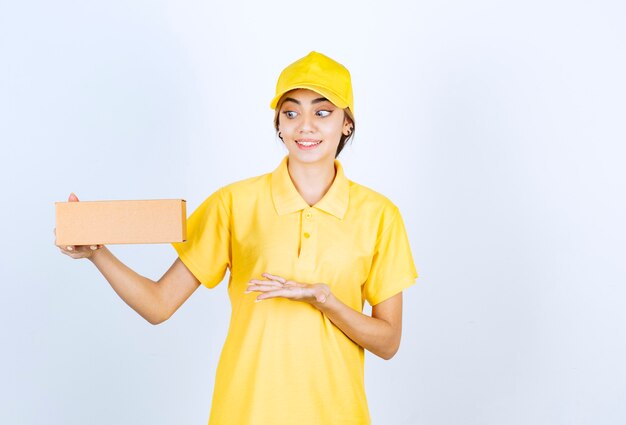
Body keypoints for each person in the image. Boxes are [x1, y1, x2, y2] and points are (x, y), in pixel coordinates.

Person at [58, 51, 418, 425]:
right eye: (291, 112)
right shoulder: (234, 203)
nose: (305, 126)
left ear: (346, 123)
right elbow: (159, 305)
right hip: (245, 413)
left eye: (322, 112)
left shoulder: (380, 215)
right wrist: (97, 254)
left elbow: (388, 342)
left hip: (337, 415)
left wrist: (326, 301)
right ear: (278, 124)